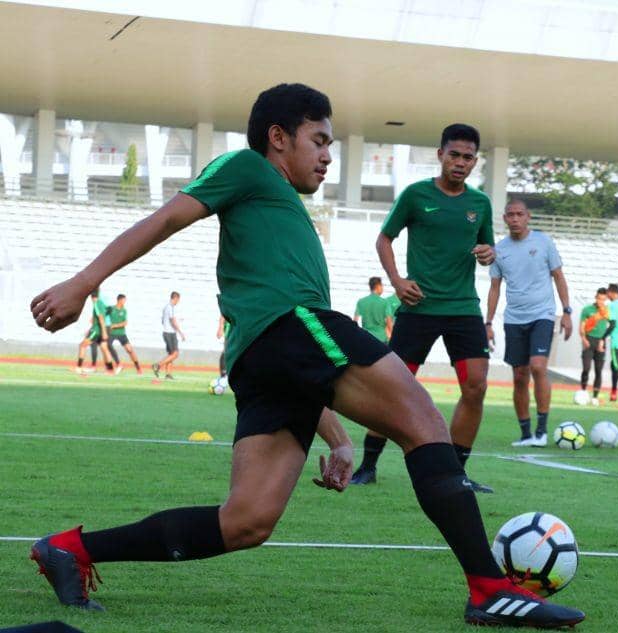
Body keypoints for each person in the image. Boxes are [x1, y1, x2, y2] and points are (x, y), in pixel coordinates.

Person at [27, 83, 583, 628]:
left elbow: (304, 370)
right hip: (291, 325)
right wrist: (84, 283)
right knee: (424, 423)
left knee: (246, 521)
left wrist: (337, 439)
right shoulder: (247, 167)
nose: (327, 157)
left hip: (266, 356)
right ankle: (489, 589)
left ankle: (72, 550)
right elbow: (166, 218)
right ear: (278, 138)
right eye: (318, 141)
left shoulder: (280, 202)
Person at [350, 123, 497, 494]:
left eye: (468, 157)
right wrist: (397, 281)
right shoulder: (416, 195)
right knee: (392, 388)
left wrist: (488, 253)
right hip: (418, 308)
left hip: (464, 308)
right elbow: (384, 238)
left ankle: (458, 473)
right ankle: (368, 466)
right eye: (454, 155)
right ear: (440, 154)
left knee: (476, 387)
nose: (460, 163)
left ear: (475, 161)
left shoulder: (480, 204)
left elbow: (488, 248)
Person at [485, 199, 572, 447]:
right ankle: (526, 434)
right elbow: (494, 288)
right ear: (504, 219)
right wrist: (488, 323)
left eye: (519, 214)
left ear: (528, 216)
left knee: (538, 367)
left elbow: (558, 276)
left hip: (542, 315)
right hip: (514, 319)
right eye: (510, 215)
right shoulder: (499, 250)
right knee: (520, 376)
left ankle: (541, 432)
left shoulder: (544, 242)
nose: (515, 219)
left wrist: (566, 311)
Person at [578, 287, 610, 404]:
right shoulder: (587, 310)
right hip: (589, 340)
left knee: (598, 370)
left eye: (603, 299)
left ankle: (595, 397)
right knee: (586, 368)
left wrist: (603, 340)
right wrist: (583, 338)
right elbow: (582, 325)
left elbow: (611, 327)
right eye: (599, 299)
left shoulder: (607, 311)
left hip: (601, 342)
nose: (600, 301)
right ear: (595, 297)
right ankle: (583, 392)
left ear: (606, 299)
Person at [75, 289, 115, 375]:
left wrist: (103, 332)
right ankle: (111, 370)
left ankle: (78, 368)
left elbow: (101, 317)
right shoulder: (102, 303)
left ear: (91, 296)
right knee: (104, 348)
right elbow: (109, 310)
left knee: (82, 345)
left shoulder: (96, 303)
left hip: (97, 330)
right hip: (101, 329)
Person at [106, 294, 143, 374]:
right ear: (119, 300)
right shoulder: (111, 308)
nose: (125, 302)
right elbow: (103, 315)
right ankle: (115, 366)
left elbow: (125, 323)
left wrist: (115, 325)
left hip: (121, 333)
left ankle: (138, 367)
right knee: (107, 347)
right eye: (124, 300)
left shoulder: (124, 310)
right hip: (112, 333)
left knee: (130, 350)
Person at [152, 292, 184, 380]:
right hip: (170, 333)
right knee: (175, 354)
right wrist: (180, 333)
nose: (178, 302)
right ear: (175, 298)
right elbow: (172, 321)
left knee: (171, 354)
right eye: (178, 300)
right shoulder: (170, 307)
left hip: (167, 332)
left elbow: (163, 320)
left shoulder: (166, 307)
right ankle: (158, 365)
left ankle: (168, 373)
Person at [354, 276, 393, 343]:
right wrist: (393, 337)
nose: (382, 288)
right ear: (378, 286)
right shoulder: (385, 302)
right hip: (381, 339)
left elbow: (355, 321)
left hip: (366, 338)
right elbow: (389, 322)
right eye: (382, 286)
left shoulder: (361, 301)